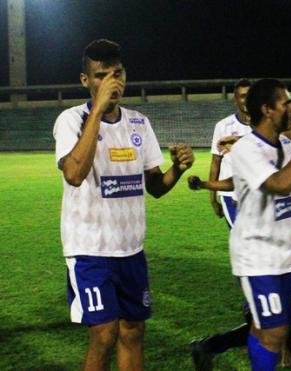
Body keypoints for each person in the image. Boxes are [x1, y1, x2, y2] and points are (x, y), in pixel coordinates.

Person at [53, 39, 195, 371]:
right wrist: (98, 114)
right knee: (103, 334)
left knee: (133, 332)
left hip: (131, 250)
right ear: (85, 81)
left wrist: (178, 169)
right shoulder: (71, 120)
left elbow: (155, 187)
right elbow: (74, 174)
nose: (111, 82)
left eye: (116, 73)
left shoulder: (139, 124)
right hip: (90, 249)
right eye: (101, 76)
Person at [228, 79, 291, 370]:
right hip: (257, 258)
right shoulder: (247, 148)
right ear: (267, 109)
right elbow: (281, 184)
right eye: (285, 102)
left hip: (284, 258)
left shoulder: (285, 144)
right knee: (274, 333)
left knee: (268, 329)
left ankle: (213, 345)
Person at [208, 79, 252, 228]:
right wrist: (213, 198)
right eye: (243, 96)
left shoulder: (265, 125)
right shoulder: (223, 126)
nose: (248, 100)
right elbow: (215, 163)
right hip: (230, 195)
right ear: (236, 101)